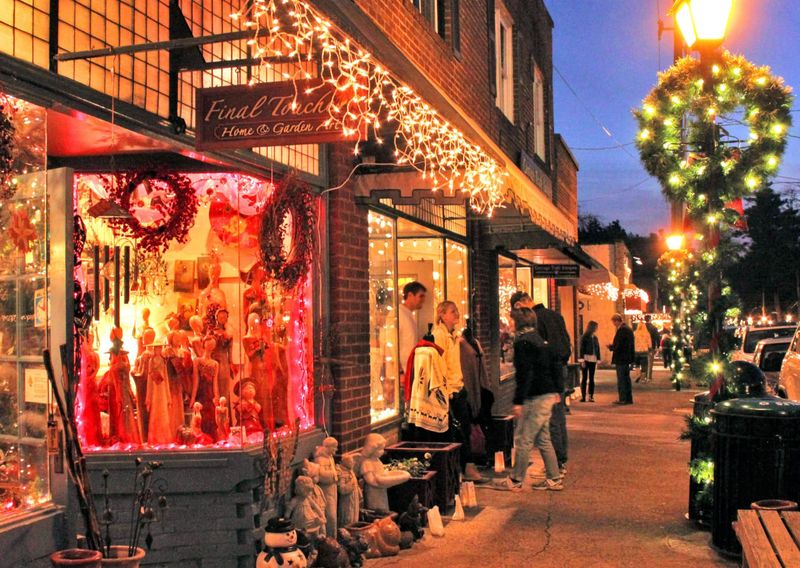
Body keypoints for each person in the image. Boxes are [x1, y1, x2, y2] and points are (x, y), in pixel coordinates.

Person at [495, 307, 563, 491]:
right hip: (546, 393)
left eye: (512, 320)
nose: (509, 324)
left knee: (524, 439)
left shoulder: (523, 342)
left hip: (536, 396)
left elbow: (525, 374)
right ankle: (554, 478)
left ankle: (516, 480)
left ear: (518, 322)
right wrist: (558, 389)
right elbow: (554, 363)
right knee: (543, 438)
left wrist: (518, 401)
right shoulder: (539, 339)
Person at [512, 291, 571, 475]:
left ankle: (551, 470)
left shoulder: (534, 322)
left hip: (544, 378)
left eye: (517, 308)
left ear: (522, 304)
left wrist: (520, 399)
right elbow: (566, 343)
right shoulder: (556, 315)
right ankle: (559, 462)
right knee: (557, 419)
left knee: (542, 427)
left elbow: (531, 362)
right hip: (559, 370)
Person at [432, 301, 482, 481]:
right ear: (442, 314)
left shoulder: (453, 335)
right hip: (451, 391)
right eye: (453, 312)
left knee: (464, 428)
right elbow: (438, 364)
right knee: (459, 430)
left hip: (458, 387)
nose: (457, 314)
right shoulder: (439, 336)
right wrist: (446, 391)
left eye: (457, 311)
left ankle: (466, 466)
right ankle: (465, 467)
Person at [399, 282, 427, 388]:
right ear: (410, 295)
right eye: (421, 296)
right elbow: (391, 346)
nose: (423, 299)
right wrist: (400, 372)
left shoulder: (410, 315)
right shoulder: (398, 314)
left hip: (412, 370)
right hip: (403, 373)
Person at [609, 314, 635, 405]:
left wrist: (612, 347)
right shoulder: (627, 329)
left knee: (621, 379)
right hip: (626, 358)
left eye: (613, 322)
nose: (613, 324)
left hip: (621, 358)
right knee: (626, 378)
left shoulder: (622, 330)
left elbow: (620, 344)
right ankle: (628, 398)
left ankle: (623, 398)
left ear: (617, 321)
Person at [578, 321, 600, 402]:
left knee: (591, 378)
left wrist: (598, 359)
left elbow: (598, 349)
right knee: (584, 378)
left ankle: (591, 396)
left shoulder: (595, 337)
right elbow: (582, 348)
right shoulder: (585, 337)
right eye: (596, 327)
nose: (597, 329)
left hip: (593, 359)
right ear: (592, 327)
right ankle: (583, 396)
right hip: (586, 358)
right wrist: (582, 360)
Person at [644, 315, 661, 381]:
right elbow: (657, 337)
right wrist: (658, 345)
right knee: (650, 362)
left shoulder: (641, 327)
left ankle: (644, 375)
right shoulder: (654, 328)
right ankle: (649, 377)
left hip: (643, 346)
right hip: (651, 346)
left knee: (644, 362)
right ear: (650, 319)